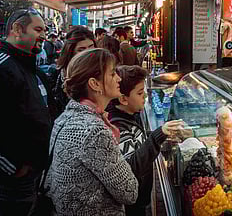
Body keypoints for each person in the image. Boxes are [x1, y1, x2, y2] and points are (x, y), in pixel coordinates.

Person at [45, 48, 138, 215]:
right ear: (94, 84)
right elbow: (129, 192)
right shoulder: (95, 131)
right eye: (112, 74)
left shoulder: (65, 117)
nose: (119, 78)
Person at [0, 8, 52, 216]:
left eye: (44, 30)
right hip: (7, 184)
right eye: (37, 29)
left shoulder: (27, 66)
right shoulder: (0, 66)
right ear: (17, 29)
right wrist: (12, 167)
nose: (44, 35)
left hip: (32, 177)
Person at [107, 65, 183, 216]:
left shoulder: (130, 116)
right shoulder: (117, 127)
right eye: (140, 93)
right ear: (123, 99)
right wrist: (158, 135)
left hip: (140, 198)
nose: (146, 97)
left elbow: (138, 142)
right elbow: (131, 166)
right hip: (132, 204)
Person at [53, 26, 96, 115]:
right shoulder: (60, 73)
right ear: (71, 51)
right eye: (81, 49)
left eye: (91, 47)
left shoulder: (100, 70)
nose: (88, 52)